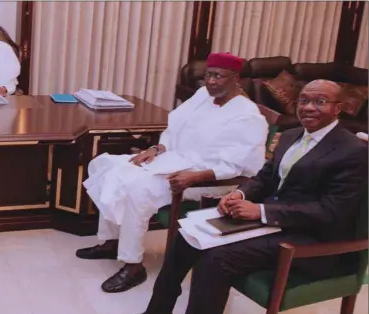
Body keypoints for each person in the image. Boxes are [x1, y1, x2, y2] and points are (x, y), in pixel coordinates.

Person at [108, 80, 368, 314]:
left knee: (217, 259)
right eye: (304, 100)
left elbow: (332, 211)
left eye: (320, 102)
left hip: (312, 240)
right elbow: (265, 179)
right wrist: (240, 195)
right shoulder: (291, 136)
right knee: (187, 236)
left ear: (338, 109)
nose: (309, 108)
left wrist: (263, 211)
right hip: (273, 224)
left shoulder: (353, 152)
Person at [77, 52, 269, 293]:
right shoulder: (203, 96)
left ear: (236, 78)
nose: (210, 82)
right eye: (208, 75)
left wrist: (195, 177)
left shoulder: (248, 116)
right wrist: (157, 148)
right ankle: (112, 241)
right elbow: (175, 127)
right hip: (174, 159)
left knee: (137, 188)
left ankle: (133, 264)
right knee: (105, 165)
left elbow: (240, 165)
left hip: (211, 177)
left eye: (218, 76)